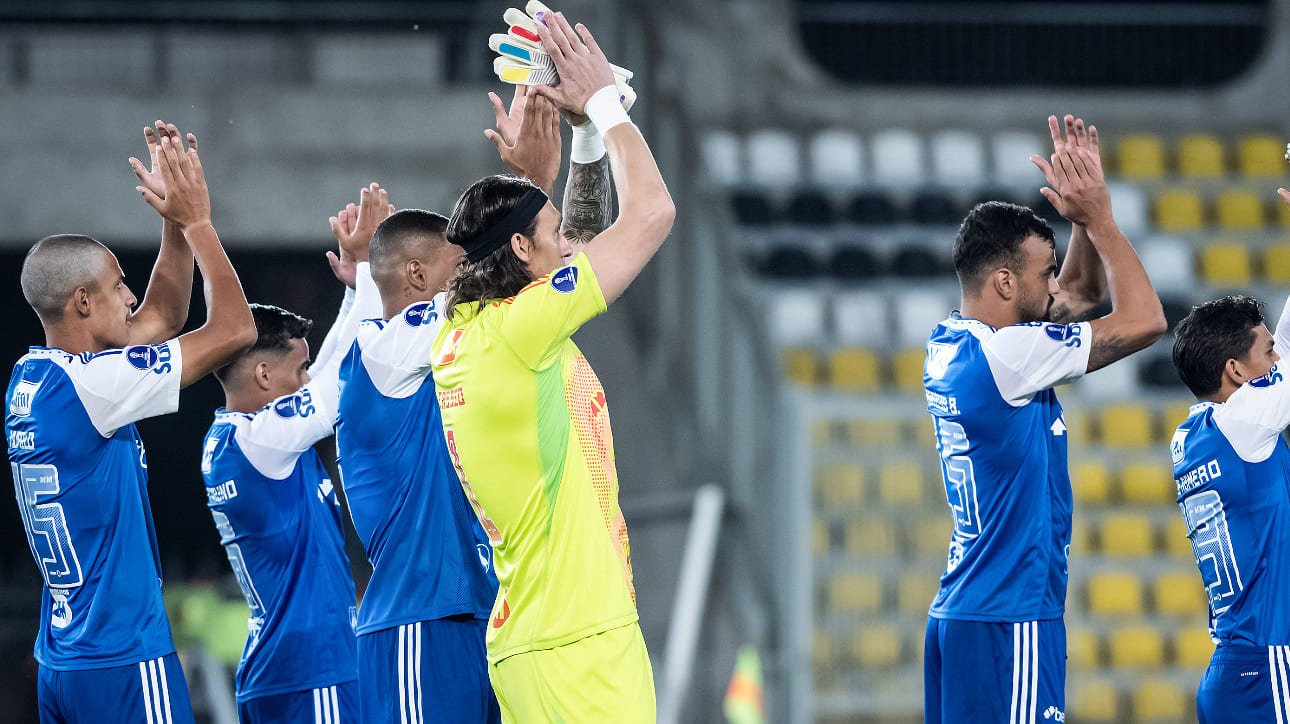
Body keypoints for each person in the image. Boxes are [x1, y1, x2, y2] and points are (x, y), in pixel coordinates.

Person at [430, 12, 675, 723]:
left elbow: (587, 240)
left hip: (542, 643)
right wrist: (602, 100)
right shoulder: (522, 333)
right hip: (577, 652)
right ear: (519, 257)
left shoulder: (476, 330)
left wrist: (589, 139)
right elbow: (652, 214)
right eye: (551, 238)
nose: (569, 245)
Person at [5, 122, 255, 723]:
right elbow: (234, 332)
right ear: (82, 303)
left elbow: (164, 315)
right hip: (122, 659)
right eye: (118, 286)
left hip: (63, 659)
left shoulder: (35, 378)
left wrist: (170, 220)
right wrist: (198, 224)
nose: (129, 299)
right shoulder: (96, 386)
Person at [921, 115, 1166, 723]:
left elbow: (1078, 296)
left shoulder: (954, 340)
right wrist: (1103, 218)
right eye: (1041, 273)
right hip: (1014, 618)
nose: (1054, 282)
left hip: (960, 616)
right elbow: (1144, 320)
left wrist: (1079, 220)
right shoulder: (1013, 356)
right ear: (1005, 281)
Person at [198, 184, 390, 722]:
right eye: (295, 370)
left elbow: (326, 372)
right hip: (313, 670)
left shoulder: (235, 438)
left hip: (279, 669)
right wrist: (375, 272)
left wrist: (353, 292)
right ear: (263, 375)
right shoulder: (263, 440)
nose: (305, 378)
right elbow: (337, 389)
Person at [1169, 187, 1290, 724]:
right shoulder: (1244, 420)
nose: (1278, 359)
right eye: (1268, 351)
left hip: (1232, 671)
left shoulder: (1197, 433)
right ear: (1236, 372)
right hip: (1269, 667)